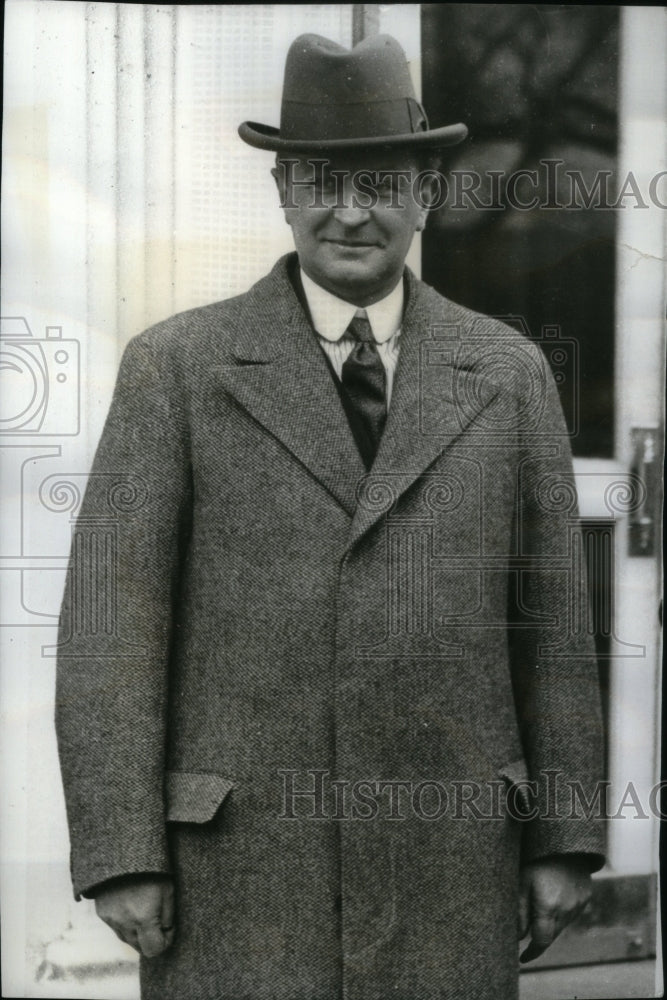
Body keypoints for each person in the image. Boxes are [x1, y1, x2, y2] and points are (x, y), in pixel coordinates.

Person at [56, 33, 605, 1000]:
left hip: (452, 870)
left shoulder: (508, 373)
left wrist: (564, 836)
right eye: (320, 180)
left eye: (383, 182)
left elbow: (552, 629)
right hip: (234, 876)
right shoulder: (176, 369)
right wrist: (118, 850)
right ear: (280, 189)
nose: (351, 211)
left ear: (427, 193)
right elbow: (111, 628)